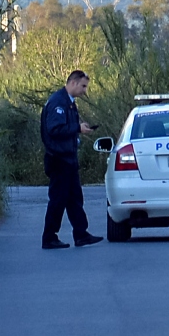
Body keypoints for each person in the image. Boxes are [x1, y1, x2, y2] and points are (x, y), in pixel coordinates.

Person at [40, 70, 103, 249]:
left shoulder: (69, 103)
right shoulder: (58, 103)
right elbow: (54, 129)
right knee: (58, 200)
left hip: (68, 158)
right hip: (59, 159)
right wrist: (77, 128)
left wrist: (78, 129)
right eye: (83, 86)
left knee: (75, 198)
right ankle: (49, 237)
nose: (84, 91)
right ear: (73, 83)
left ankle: (81, 234)